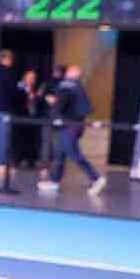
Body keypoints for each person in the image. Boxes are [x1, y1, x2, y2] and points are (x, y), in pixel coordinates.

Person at [39, 65, 106, 197]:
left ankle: (96, 178)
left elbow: (61, 105)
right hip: (75, 125)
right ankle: (54, 181)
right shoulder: (78, 87)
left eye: (69, 71)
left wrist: (53, 103)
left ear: (71, 74)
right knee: (60, 153)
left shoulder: (67, 86)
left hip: (68, 126)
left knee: (73, 153)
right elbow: (83, 108)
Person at [12, 69, 45, 172]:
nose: (32, 80)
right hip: (21, 116)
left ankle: (30, 160)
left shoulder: (35, 88)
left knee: (31, 140)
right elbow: (17, 99)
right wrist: (29, 96)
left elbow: (37, 101)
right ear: (25, 77)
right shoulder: (19, 86)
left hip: (32, 117)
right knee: (19, 139)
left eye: (33, 78)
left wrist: (37, 97)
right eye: (30, 77)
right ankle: (17, 160)